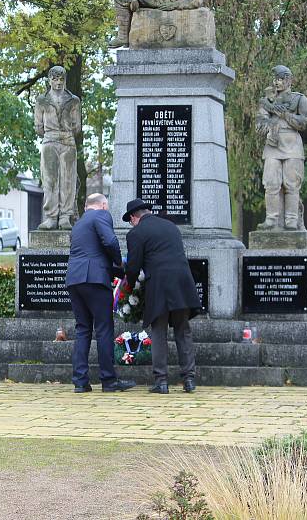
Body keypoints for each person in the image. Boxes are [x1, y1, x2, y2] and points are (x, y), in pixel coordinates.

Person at [123, 198, 201, 394]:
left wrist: (128, 288)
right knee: (183, 330)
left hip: (158, 286)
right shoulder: (170, 226)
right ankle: (189, 380)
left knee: (159, 332)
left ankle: (161, 381)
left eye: (130, 220)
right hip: (182, 283)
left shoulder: (136, 233)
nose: (131, 224)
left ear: (134, 217)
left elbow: (133, 267)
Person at [66, 193, 137, 393]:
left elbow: (91, 253)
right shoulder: (101, 216)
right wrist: (120, 264)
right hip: (95, 280)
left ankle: (80, 382)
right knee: (104, 329)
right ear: (103, 205)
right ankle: (108, 381)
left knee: (82, 330)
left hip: (74, 279)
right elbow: (110, 242)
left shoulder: (78, 224)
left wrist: (112, 269)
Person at [255, 65, 307, 230]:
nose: (276, 82)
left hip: (292, 144)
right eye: (275, 79)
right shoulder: (266, 101)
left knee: (292, 184)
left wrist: (285, 114)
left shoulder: (299, 99)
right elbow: (259, 125)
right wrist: (272, 117)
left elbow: (303, 123)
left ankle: (291, 221)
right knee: (271, 183)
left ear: (288, 80)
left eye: (280, 79)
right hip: (273, 144)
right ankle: (272, 219)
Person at [34, 66, 82, 230]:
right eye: (55, 79)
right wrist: (51, 133)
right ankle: (51, 216)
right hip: (50, 141)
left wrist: (65, 134)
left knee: (68, 180)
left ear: (65, 80)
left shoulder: (74, 100)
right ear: (49, 80)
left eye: (61, 79)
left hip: (68, 142)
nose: (58, 82)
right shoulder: (42, 100)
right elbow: (38, 127)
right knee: (50, 180)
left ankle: (65, 217)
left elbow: (77, 127)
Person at [110, 0, 205, 48]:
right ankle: (137, 3)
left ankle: (122, 37)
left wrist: (174, 5)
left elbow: (196, 1)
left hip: (163, 0)